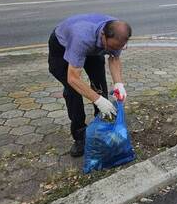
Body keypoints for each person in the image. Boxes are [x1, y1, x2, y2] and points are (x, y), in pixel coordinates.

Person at [48, 14, 132, 157]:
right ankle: (80, 136)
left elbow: (114, 58)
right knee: (73, 91)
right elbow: (73, 78)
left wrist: (118, 83)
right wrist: (97, 99)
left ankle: (102, 126)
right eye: (111, 47)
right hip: (63, 46)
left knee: (99, 84)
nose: (114, 49)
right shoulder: (81, 38)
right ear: (103, 35)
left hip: (93, 47)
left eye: (118, 47)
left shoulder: (117, 36)